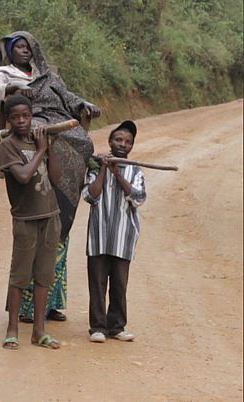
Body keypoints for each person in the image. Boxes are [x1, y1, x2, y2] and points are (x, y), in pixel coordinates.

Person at [0, 31, 102, 323]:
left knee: (83, 142)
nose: (24, 51)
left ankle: (52, 304)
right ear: (10, 51)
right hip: (34, 122)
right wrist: (14, 87)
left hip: (59, 121)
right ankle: (26, 311)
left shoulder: (49, 76)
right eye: (18, 47)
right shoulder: (4, 73)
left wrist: (85, 105)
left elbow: (69, 98)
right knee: (42, 139)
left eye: (28, 47)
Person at [0, 95, 62, 350]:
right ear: (8, 120)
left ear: (32, 116)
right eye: (16, 117)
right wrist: (41, 150)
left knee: (44, 276)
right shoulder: (8, 145)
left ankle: (39, 330)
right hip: (25, 218)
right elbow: (23, 176)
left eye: (26, 115)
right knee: (20, 276)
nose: (22, 121)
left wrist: (50, 147)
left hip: (50, 215)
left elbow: (56, 178)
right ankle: (12, 329)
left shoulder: (39, 141)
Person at [82, 120, 146, 343]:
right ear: (110, 142)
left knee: (119, 284)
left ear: (132, 146)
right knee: (97, 283)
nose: (123, 144)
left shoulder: (135, 170)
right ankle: (98, 327)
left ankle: (117, 327)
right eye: (118, 140)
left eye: (128, 142)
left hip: (123, 237)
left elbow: (138, 198)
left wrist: (118, 174)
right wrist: (103, 169)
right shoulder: (95, 166)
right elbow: (90, 196)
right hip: (98, 235)